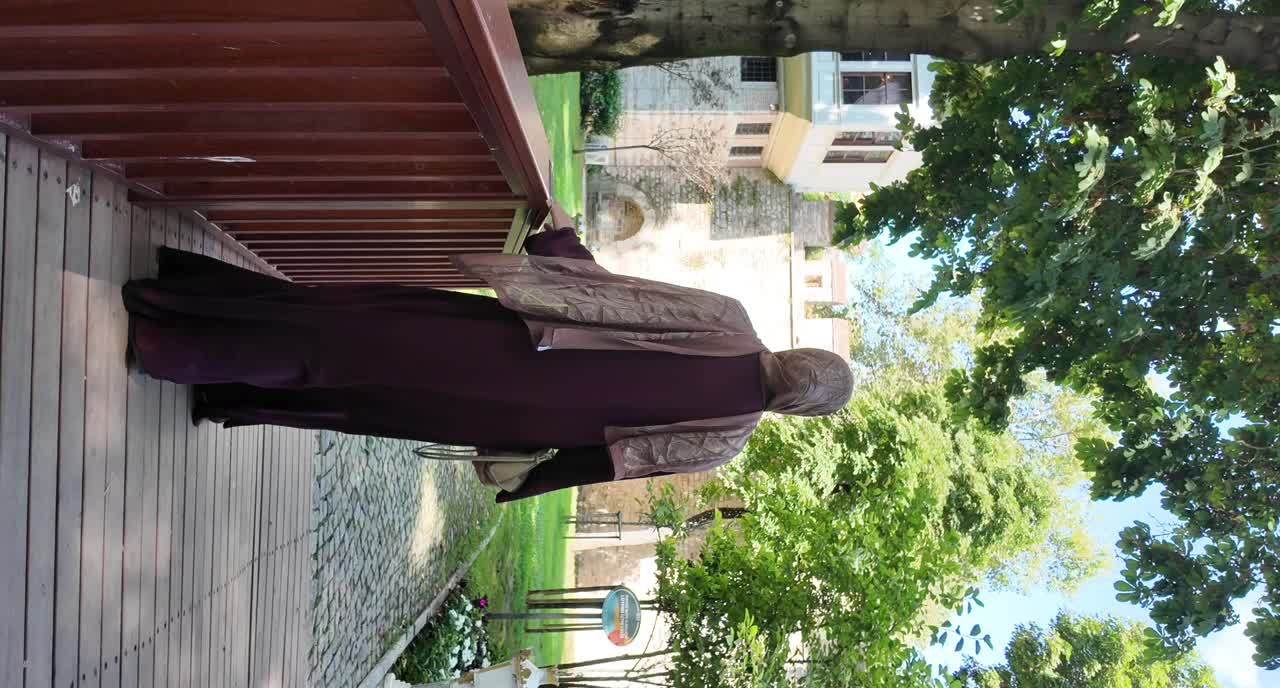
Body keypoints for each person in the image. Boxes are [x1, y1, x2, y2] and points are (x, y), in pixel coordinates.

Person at [122, 206, 853, 502]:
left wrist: (558, 240)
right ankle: (201, 367)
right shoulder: (725, 442)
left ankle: (181, 318)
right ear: (799, 411)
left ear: (799, 357)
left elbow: (616, 298)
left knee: (353, 331)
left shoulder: (730, 321)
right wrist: (521, 478)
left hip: (505, 348)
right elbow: (607, 461)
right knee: (358, 394)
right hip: (495, 408)